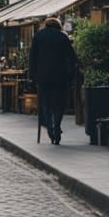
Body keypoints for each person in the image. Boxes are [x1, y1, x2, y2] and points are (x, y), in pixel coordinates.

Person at [28, 17, 79, 145]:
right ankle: (56, 126)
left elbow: (32, 58)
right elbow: (72, 57)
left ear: (46, 25)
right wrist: (71, 75)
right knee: (59, 104)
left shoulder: (38, 36)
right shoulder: (62, 37)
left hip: (43, 77)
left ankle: (50, 128)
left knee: (46, 103)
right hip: (60, 77)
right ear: (58, 25)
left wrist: (33, 76)